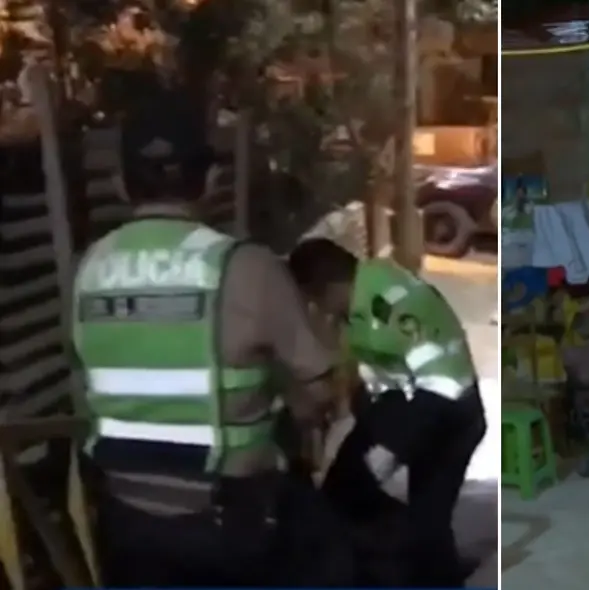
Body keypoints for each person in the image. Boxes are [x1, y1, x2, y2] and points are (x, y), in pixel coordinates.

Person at [72, 91, 356, 587]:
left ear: (119, 183)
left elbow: (91, 378)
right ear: (211, 178)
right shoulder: (244, 267)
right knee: (334, 553)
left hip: (126, 523)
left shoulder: (88, 271)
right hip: (231, 526)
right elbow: (321, 389)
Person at [316, 256, 488, 588]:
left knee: (430, 515)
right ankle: (408, 558)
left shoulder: (396, 301)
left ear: (329, 288)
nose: (320, 310)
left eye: (317, 300)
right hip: (408, 405)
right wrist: (371, 429)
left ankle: (439, 574)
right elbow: (374, 380)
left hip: (454, 415)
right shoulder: (355, 309)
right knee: (344, 487)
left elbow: (441, 390)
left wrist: (389, 450)